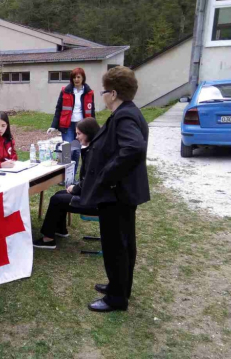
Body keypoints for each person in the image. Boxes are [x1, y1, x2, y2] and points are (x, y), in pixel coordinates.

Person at [80, 66, 150, 313]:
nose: (102, 96)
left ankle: (117, 299)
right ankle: (119, 286)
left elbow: (132, 148)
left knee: (115, 246)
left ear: (112, 93)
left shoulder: (124, 116)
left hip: (117, 194)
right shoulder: (128, 112)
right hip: (122, 193)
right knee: (123, 242)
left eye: (103, 92)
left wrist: (107, 177)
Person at [33, 118, 101, 249]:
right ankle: (60, 229)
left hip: (95, 201)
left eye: (79, 134)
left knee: (57, 199)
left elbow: (90, 180)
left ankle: (48, 239)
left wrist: (75, 188)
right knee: (60, 194)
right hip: (94, 194)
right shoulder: (94, 148)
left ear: (89, 133)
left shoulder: (95, 152)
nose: (76, 137)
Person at [47, 67, 96, 180]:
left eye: (78, 77)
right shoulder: (65, 91)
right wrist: (53, 126)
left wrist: (93, 127)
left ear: (83, 78)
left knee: (77, 151)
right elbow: (58, 109)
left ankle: (71, 176)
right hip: (67, 125)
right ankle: (64, 176)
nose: (76, 79)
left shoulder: (89, 92)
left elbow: (92, 110)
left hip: (82, 126)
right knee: (67, 149)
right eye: (74, 77)